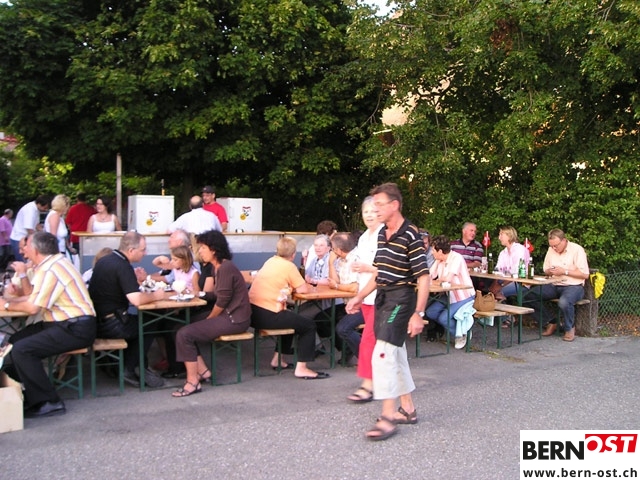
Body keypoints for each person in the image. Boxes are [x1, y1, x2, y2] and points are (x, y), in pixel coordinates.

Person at [346, 182, 429, 441]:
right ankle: (408, 409)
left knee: (383, 354)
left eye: (380, 205)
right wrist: (359, 296)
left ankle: (388, 417)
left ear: (395, 205)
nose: (375, 210)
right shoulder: (383, 233)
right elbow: (380, 272)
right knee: (396, 354)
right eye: (374, 205)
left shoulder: (411, 235)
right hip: (383, 298)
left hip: (401, 301)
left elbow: (423, 277)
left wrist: (418, 313)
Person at [3, 232, 96, 418]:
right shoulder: (53, 264)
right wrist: (8, 300)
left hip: (75, 328)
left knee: (23, 349)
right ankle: (27, 391)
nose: (23, 251)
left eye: (26, 246)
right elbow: (34, 297)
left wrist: (6, 305)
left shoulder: (51, 269)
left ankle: (49, 402)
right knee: (15, 341)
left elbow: (32, 308)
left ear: (36, 250)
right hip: (64, 323)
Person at [172, 231, 252, 397]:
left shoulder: (225, 268)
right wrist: (199, 294)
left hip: (234, 318)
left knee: (185, 334)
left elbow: (222, 301)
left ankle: (192, 382)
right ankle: (203, 371)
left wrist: (209, 319)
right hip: (228, 315)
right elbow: (218, 294)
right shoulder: (219, 267)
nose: (199, 251)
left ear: (214, 250)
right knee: (179, 326)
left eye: (203, 247)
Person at [88, 231, 167, 388]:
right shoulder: (123, 266)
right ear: (131, 250)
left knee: (143, 322)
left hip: (96, 322)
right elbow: (136, 300)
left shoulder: (105, 260)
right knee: (150, 324)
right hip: (113, 324)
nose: (145, 253)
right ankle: (131, 368)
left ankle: (133, 366)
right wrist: (156, 295)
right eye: (143, 250)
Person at [249, 236, 329, 379]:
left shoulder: (270, 261)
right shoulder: (289, 266)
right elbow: (303, 289)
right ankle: (302, 368)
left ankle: (278, 359)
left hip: (253, 313)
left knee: (291, 318)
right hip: (269, 314)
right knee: (309, 326)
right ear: (293, 254)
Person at [343, 196, 382, 403]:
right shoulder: (364, 237)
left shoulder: (385, 235)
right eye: (365, 211)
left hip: (384, 297)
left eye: (373, 211)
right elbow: (361, 270)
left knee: (368, 340)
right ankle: (387, 383)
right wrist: (358, 296)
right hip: (367, 297)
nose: (369, 215)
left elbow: (389, 270)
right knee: (382, 344)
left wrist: (368, 268)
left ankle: (368, 385)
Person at [523, 229, 590, 342]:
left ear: (564, 240)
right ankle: (550, 321)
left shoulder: (577, 250)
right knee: (527, 296)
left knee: (564, 302)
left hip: (573, 285)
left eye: (556, 245)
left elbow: (585, 274)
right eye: (552, 246)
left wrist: (565, 271)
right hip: (554, 284)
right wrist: (549, 271)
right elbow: (546, 269)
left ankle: (569, 328)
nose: (554, 248)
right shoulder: (551, 250)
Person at [425, 235, 476, 348]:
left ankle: (462, 334)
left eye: (433, 250)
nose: (432, 252)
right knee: (430, 312)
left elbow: (447, 278)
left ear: (440, 251)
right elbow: (429, 276)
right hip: (448, 294)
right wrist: (436, 265)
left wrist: (436, 280)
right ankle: (460, 328)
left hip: (464, 295)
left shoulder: (456, 258)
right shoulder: (439, 260)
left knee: (444, 318)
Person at [330, 232, 362, 367]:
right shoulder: (340, 260)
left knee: (343, 328)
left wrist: (337, 286)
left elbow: (354, 288)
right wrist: (330, 263)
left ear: (338, 250)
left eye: (332, 248)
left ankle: (366, 357)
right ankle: (347, 353)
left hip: (362, 305)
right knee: (324, 320)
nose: (332, 251)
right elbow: (334, 281)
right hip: (347, 304)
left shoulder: (355, 260)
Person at [489, 226, 530, 303]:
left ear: (509, 236)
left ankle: (504, 310)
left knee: (498, 292)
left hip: (521, 283)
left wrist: (500, 286)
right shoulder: (503, 252)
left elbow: (516, 274)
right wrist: (495, 284)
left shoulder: (520, 250)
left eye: (501, 235)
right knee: (489, 289)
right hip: (505, 280)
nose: (499, 238)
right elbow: (497, 271)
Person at [9, 195, 51, 261]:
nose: (45, 210)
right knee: (24, 261)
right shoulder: (30, 210)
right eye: (45, 208)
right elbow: (29, 229)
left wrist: (44, 232)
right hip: (19, 239)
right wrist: (39, 238)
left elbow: (36, 225)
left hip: (25, 238)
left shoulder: (36, 210)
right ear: (39, 204)